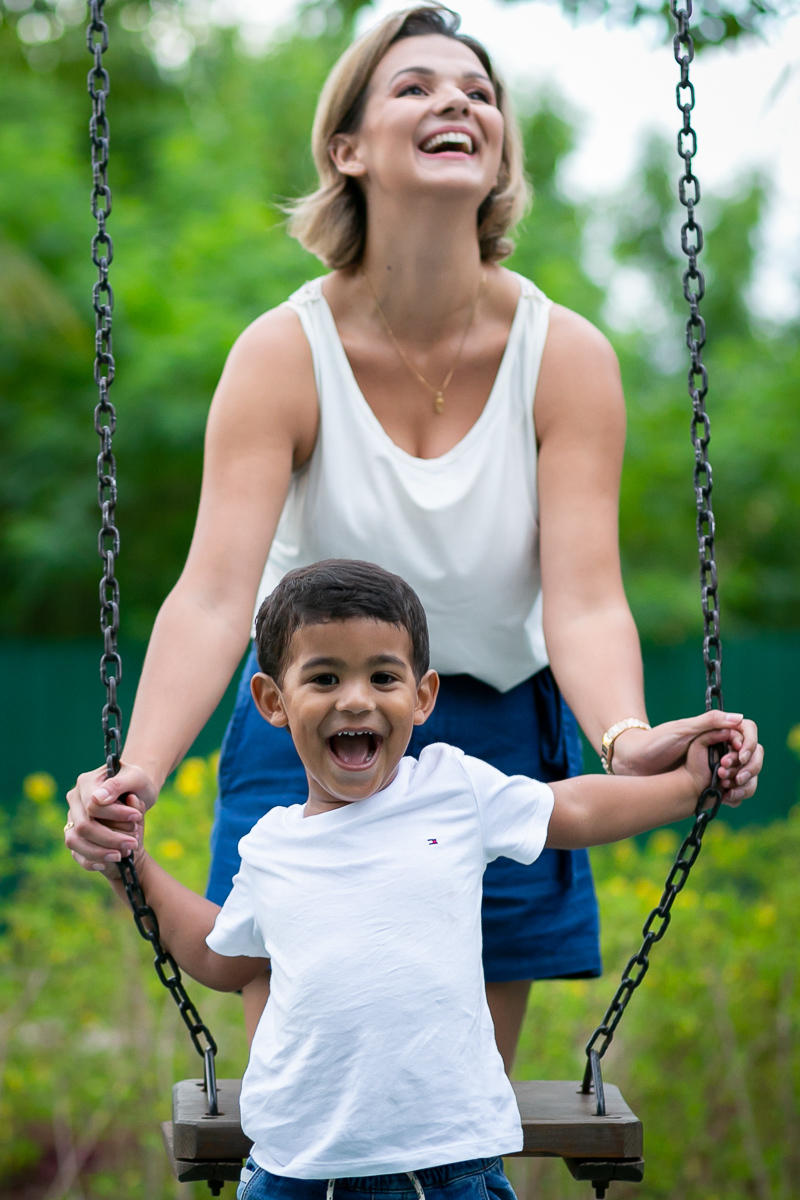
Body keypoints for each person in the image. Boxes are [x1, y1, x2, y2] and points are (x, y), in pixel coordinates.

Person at [64, 4, 763, 1069]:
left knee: (456, 1090)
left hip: (497, 732)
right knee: (304, 1074)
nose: (457, 103)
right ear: (347, 147)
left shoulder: (564, 356)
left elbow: (583, 598)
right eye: (416, 86)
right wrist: (140, 776)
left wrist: (626, 741)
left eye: (479, 93)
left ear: (498, 154)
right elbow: (214, 594)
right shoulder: (283, 353)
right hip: (305, 727)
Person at [84, 560, 753, 1200]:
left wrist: (687, 786)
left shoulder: (452, 788)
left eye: (383, 677)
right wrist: (129, 865)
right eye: (324, 678)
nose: (356, 700)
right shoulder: (271, 847)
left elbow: (574, 809)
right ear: (272, 701)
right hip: (296, 1174)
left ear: (423, 695)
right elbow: (221, 959)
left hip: (452, 1170)